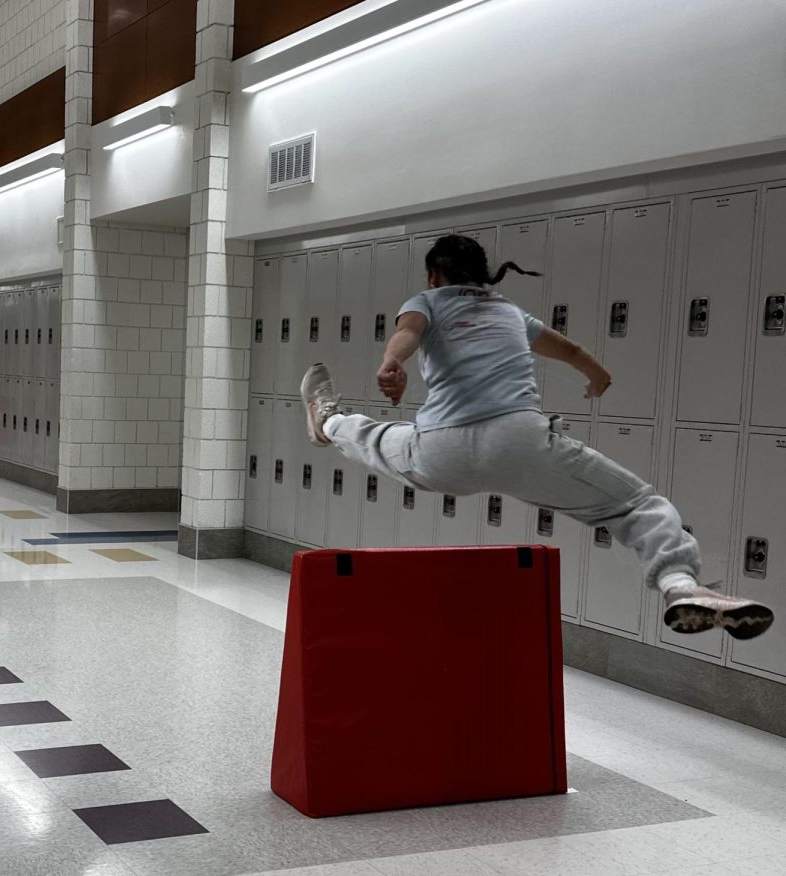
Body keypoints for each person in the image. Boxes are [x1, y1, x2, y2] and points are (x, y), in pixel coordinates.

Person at [300, 234, 774, 640]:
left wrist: (392, 362)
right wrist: (597, 376)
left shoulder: (426, 301)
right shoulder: (509, 311)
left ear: (432, 277)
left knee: (379, 438)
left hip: (442, 449)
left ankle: (328, 422)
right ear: (483, 276)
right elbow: (566, 348)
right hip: (520, 444)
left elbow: (410, 330)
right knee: (635, 505)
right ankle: (678, 583)